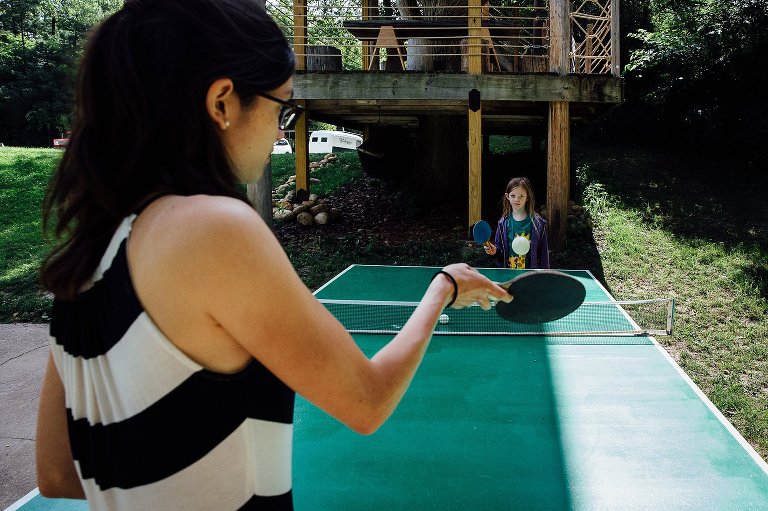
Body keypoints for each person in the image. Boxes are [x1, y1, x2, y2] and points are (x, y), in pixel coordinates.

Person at [34, 1, 512, 510]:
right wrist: (443, 288)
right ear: (222, 101)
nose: (282, 131)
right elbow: (368, 400)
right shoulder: (214, 230)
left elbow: (58, 474)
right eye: (280, 106)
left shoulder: (83, 260)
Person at [484, 176, 550, 269]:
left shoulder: (538, 224)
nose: (516, 199)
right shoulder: (503, 223)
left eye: (521, 196)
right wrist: (494, 251)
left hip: (530, 275)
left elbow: (544, 256)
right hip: (508, 275)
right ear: (507, 196)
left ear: (527, 197)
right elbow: (499, 251)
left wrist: (545, 275)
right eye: (513, 196)